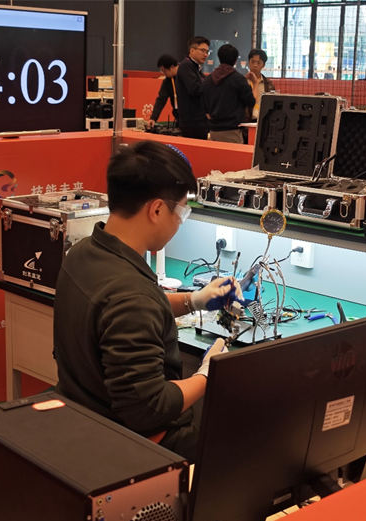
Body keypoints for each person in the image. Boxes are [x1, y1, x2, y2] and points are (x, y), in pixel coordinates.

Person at [53, 141, 242, 462]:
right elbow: (149, 408)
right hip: (138, 445)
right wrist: (207, 374)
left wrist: (195, 300)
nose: (180, 221)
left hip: (86, 416)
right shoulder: (130, 294)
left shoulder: (84, 253)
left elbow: (124, 310)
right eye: (181, 211)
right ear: (156, 210)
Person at [202, 44, 256, 144]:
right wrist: (255, 84)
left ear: (219, 57)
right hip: (232, 131)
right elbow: (251, 101)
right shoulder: (238, 79)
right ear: (235, 60)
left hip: (213, 130)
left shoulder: (207, 80)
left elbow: (203, 105)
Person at [176, 36, 211, 140]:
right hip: (192, 122)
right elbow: (194, 89)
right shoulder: (186, 66)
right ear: (192, 50)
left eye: (207, 52)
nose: (205, 54)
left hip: (198, 120)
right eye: (202, 51)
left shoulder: (195, 67)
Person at [146, 54, 179, 130]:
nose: (163, 73)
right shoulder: (167, 81)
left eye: (164, 70)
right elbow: (161, 100)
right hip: (179, 119)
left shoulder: (186, 75)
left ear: (171, 67)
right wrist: (153, 118)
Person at [244, 49, 276, 120]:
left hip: (262, 119)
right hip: (245, 119)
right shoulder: (243, 82)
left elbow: (272, 103)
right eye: (252, 62)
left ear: (263, 65)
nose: (255, 65)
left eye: (258, 63)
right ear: (249, 62)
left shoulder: (269, 84)